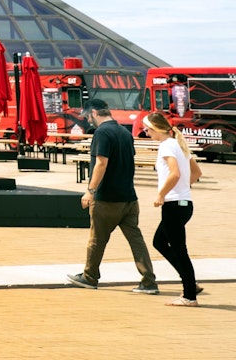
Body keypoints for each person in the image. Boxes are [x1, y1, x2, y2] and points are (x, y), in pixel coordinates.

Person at [68, 98, 158, 294]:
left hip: (107, 198)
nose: (87, 120)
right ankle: (149, 281)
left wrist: (90, 191)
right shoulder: (124, 133)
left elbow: (101, 163)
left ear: (94, 113)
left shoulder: (102, 132)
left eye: (87, 116)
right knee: (136, 240)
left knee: (97, 240)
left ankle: (90, 277)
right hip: (129, 198)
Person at [146, 113, 204, 306]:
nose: (146, 132)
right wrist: (182, 190)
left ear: (156, 129)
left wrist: (161, 194)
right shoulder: (178, 144)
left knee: (179, 250)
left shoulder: (166, 145)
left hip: (174, 204)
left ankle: (189, 296)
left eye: (147, 129)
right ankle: (190, 283)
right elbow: (196, 172)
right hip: (184, 204)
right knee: (160, 242)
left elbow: (175, 173)